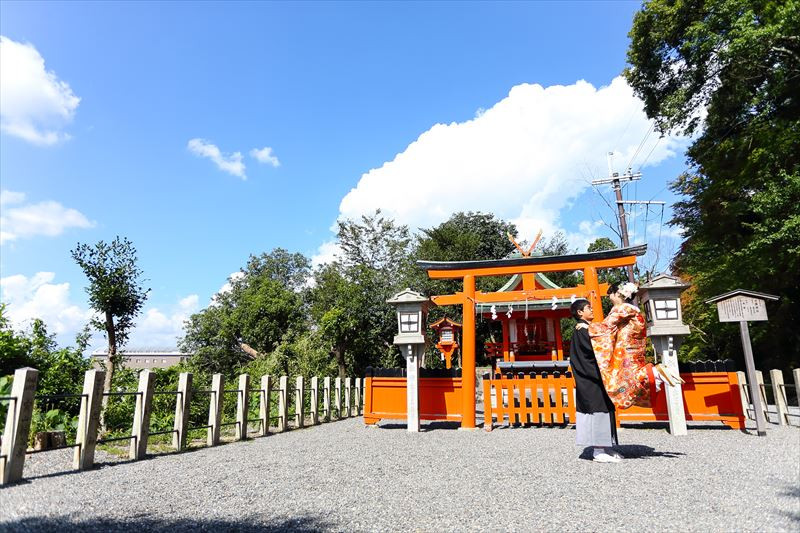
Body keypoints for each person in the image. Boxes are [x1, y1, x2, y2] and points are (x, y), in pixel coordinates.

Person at [588, 282, 682, 411]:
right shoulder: (632, 310)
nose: (609, 297)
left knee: (622, 380)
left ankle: (654, 373)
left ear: (618, 294)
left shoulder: (622, 309)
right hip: (635, 348)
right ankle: (654, 375)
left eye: (611, 293)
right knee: (630, 377)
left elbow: (605, 327)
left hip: (625, 348)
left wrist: (587, 327)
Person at [569, 298, 621, 463]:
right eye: (588, 308)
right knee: (597, 410)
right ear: (580, 313)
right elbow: (598, 350)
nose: (592, 310)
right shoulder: (581, 331)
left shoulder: (587, 328)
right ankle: (598, 451)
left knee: (605, 410)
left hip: (597, 377)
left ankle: (606, 446)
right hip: (590, 377)